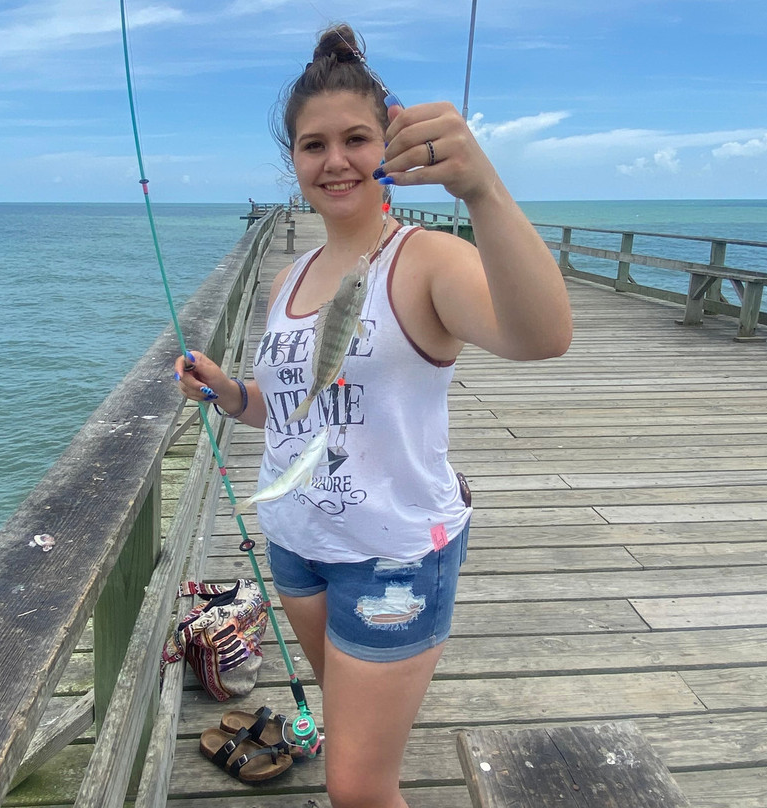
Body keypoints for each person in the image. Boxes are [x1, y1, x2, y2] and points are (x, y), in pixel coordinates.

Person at [175, 23, 571, 808]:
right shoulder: (288, 278)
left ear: (388, 145)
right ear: (292, 162)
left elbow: (543, 335)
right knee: (353, 728)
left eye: (357, 138)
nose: (336, 160)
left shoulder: (425, 258)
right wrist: (228, 392)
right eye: (313, 145)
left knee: (357, 787)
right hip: (296, 547)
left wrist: (482, 190)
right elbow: (288, 414)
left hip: (391, 556)